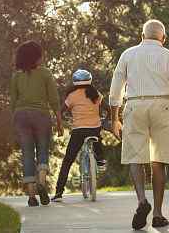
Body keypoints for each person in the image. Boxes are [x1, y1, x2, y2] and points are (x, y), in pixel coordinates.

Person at [109, 20, 169, 230]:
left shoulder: (128, 54)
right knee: (158, 161)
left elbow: (116, 88)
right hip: (162, 105)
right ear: (163, 38)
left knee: (136, 158)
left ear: (142, 36)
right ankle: (158, 215)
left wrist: (114, 118)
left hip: (135, 105)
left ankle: (142, 201)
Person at [10, 40, 63, 207]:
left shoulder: (16, 76)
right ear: (36, 57)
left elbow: (13, 101)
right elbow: (54, 99)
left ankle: (32, 197)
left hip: (21, 116)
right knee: (42, 149)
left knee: (27, 153)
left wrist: (16, 121)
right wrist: (59, 121)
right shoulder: (45, 73)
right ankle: (41, 182)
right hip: (41, 115)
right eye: (40, 54)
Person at [51, 69, 108, 202]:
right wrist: (105, 120)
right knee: (97, 137)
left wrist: (60, 124)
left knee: (67, 161)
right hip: (94, 129)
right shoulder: (95, 94)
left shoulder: (72, 96)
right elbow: (108, 109)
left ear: (75, 82)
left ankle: (59, 193)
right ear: (90, 80)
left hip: (79, 131)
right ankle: (100, 161)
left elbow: (60, 112)